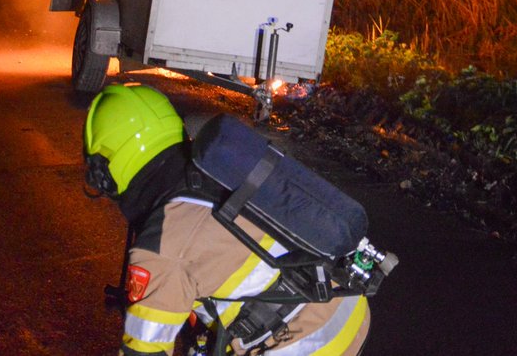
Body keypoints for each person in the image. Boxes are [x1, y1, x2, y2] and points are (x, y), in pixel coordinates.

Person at [83, 84, 371, 356]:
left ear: (105, 174)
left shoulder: (161, 249)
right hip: (343, 304)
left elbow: (144, 351)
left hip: (308, 341)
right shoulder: (217, 172)